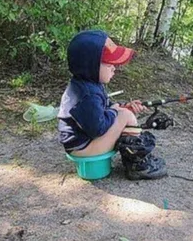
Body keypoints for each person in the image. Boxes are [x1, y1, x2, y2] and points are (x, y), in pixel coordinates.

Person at [57, 30, 167, 180]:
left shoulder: (89, 84)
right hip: (83, 149)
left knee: (125, 113)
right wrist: (117, 111)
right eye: (109, 64)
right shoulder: (87, 95)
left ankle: (134, 159)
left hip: (84, 143)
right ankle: (137, 165)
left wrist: (124, 106)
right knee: (126, 116)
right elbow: (98, 128)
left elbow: (104, 108)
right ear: (90, 65)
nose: (114, 67)